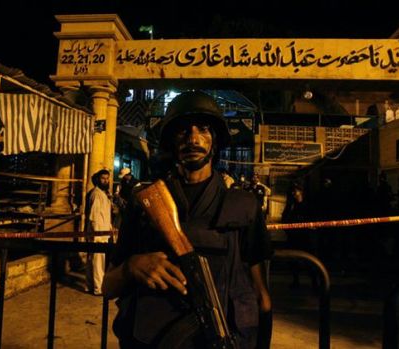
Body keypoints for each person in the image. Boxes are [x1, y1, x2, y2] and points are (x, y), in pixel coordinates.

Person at [103, 91, 273, 348]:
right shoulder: (145, 204)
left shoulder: (245, 206)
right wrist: (132, 267)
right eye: (183, 131)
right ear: (171, 141)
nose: (193, 138)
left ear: (215, 141)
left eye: (203, 130)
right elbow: (108, 286)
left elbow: (262, 297)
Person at [282, 181, 319, 290]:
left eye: (296, 191)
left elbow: (314, 220)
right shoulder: (291, 206)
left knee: (311, 262)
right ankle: (296, 281)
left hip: (306, 237)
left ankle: (314, 282)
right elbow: (285, 219)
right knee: (293, 261)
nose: (294, 193)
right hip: (294, 237)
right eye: (292, 191)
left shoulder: (308, 205)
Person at [85, 169, 113, 296]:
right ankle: (98, 288)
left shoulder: (103, 194)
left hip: (102, 232)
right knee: (98, 262)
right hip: (98, 234)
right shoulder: (96, 194)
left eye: (107, 178)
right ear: (98, 179)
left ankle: (90, 285)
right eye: (103, 178)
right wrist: (97, 234)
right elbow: (94, 216)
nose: (106, 181)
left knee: (93, 260)